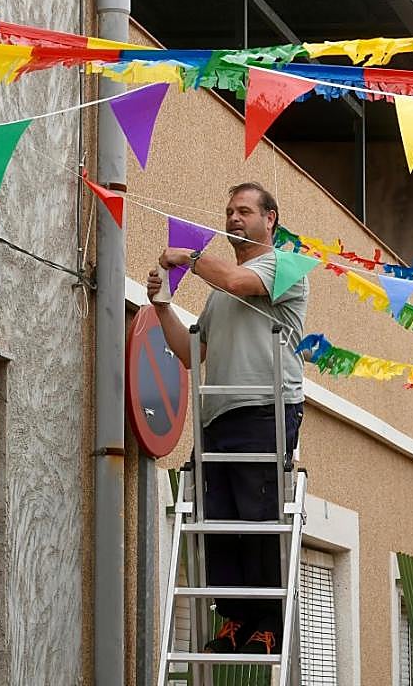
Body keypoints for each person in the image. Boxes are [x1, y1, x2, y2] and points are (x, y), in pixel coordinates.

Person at [147, 182, 308, 656]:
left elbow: (238, 282)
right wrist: (161, 307)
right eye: (229, 212)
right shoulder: (219, 296)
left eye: (244, 211)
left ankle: (267, 626)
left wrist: (189, 258)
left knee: (257, 516)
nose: (234, 218)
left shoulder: (287, 265)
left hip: (265, 408)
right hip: (218, 414)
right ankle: (235, 619)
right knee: (217, 520)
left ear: (270, 219)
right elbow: (189, 352)